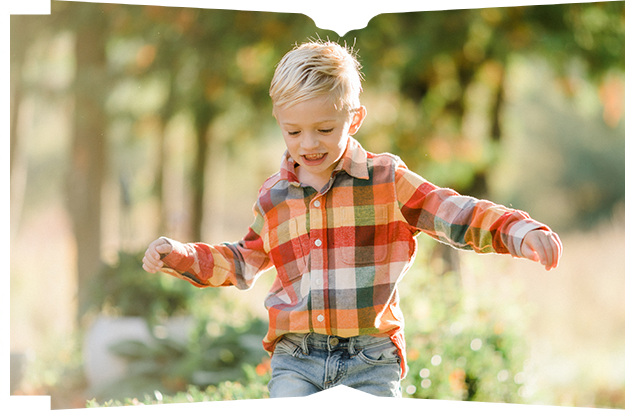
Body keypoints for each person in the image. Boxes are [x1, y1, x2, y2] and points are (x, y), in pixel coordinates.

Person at [140, 41, 563, 397]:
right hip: (297, 360)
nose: (308, 144)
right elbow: (241, 261)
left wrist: (515, 229)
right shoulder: (275, 196)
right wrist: (180, 256)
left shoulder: (385, 181)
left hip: (370, 360)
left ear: (354, 118)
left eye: (324, 129)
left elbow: (453, 212)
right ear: (279, 122)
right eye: (294, 131)